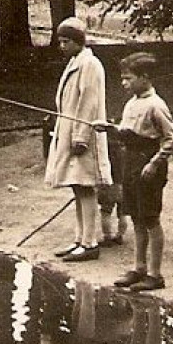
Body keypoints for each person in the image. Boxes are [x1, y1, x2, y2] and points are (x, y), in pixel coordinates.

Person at [97, 53, 173, 292]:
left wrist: (154, 163)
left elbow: (172, 139)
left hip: (148, 165)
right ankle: (139, 268)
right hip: (131, 163)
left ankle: (155, 274)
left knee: (151, 218)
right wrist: (110, 129)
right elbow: (128, 133)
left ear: (145, 78)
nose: (124, 83)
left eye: (128, 78)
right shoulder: (132, 103)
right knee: (135, 216)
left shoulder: (156, 105)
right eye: (122, 79)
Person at [44, 17, 112, 261]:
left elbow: (89, 102)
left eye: (65, 42)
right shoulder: (76, 61)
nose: (61, 46)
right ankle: (79, 239)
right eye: (60, 41)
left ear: (77, 41)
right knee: (76, 186)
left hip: (82, 134)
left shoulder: (90, 64)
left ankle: (90, 243)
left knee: (85, 186)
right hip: (69, 130)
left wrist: (81, 136)